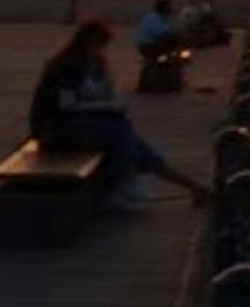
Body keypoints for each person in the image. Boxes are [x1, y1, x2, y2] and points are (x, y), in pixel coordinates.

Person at [28, 18, 209, 203]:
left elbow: (107, 97)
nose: (102, 50)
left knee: (128, 135)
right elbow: (66, 106)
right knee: (121, 136)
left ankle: (190, 186)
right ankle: (108, 189)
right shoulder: (69, 66)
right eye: (100, 45)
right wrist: (107, 108)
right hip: (55, 129)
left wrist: (105, 76)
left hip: (78, 122)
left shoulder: (94, 64)